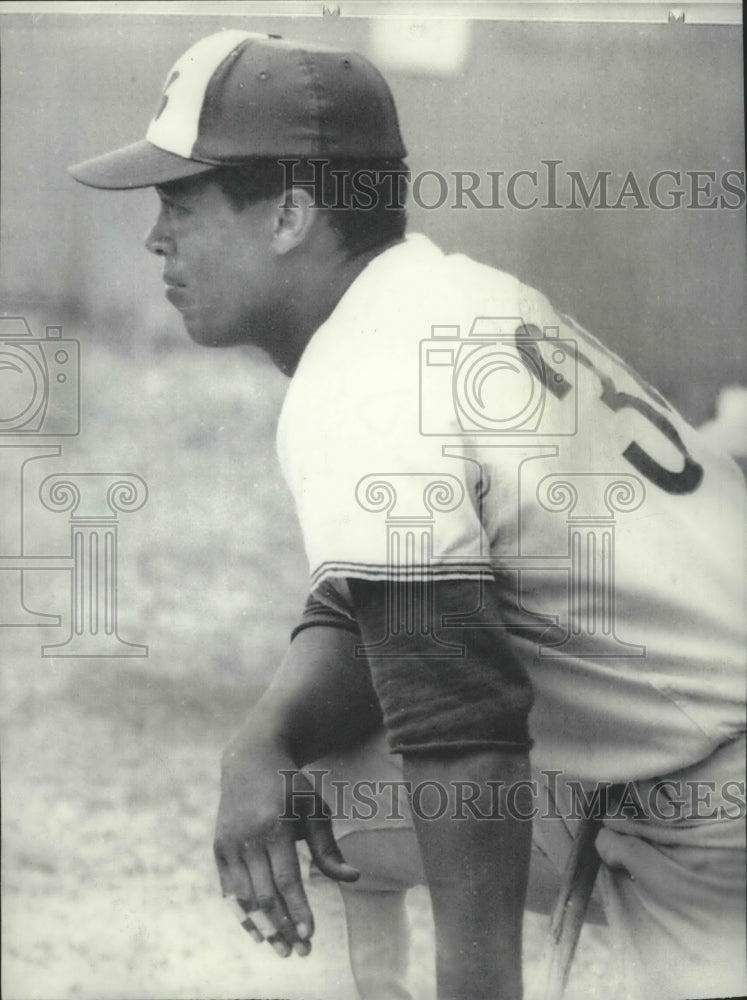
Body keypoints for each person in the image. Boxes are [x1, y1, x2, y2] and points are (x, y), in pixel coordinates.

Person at [69, 29, 746, 1000]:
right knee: (312, 798)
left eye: (181, 200)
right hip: (689, 759)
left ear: (291, 214)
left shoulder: (365, 378)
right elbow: (385, 613)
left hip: (715, 820)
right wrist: (260, 741)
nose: (155, 238)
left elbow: (462, 725)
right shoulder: (447, 293)